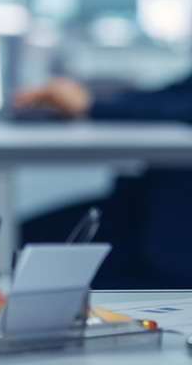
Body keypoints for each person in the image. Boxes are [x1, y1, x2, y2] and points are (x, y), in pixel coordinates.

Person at [14, 74, 192, 287]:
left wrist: (90, 103)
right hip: (148, 208)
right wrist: (87, 99)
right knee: (12, 242)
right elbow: (172, 96)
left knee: (12, 252)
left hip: (168, 235)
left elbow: (180, 106)